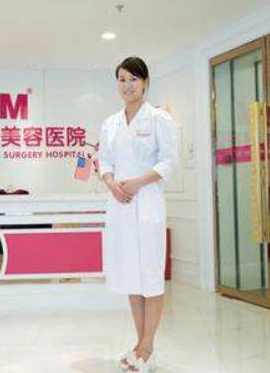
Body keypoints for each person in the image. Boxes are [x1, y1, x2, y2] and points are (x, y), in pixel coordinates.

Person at [97, 57, 179, 373]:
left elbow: (168, 162)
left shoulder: (159, 119)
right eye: (122, 79)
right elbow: (104, 161)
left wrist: (137, 183)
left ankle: (147, 347)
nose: (127, 85)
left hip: (147, 202)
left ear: (145, 82)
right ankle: (140, 344)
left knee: (151, 276)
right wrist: (111, 184)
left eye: (133, 79)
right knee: (132, 277)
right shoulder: (110, 123)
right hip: (120, 204)